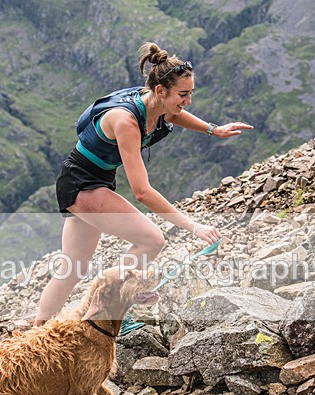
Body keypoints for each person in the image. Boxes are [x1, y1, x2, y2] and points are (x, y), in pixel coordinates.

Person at [33, 42, 253, 327]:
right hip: (82, 183)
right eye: (183, 94)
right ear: (160, 91)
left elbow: (174, 114)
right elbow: (141, 191)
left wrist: (213, 129)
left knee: (72, 268)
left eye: (190, 93)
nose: (188, 101)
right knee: (152, 239)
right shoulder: (126, 121)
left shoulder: (153, 102)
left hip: (88, 178)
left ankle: (34, 334)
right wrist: (193, 226)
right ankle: (109, 312)